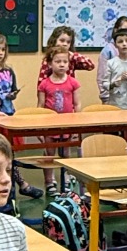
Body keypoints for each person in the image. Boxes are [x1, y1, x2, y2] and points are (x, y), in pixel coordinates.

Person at [0, 32, 42, 198]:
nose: (0, 53)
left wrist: (13, 95)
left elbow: (11, 90)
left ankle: (20, 185)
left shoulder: (9, 71)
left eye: (3, 49)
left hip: (9, 115)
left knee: (10, 154)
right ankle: (16, 186)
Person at [37, 45, 81, 195]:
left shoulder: (73, 83)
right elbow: (40, 106)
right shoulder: (44, 84)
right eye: (58, 61)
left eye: (65, 62)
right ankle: (49, 181)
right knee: (50, 153)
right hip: (49, 125)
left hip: (67, 125)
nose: (62, 65)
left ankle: (65, 178)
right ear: (50, 64)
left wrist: (77, 126)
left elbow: (77, 104)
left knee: (66, 153)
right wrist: (39, 127)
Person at [97, 16, 127, 103]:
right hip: (112, 98)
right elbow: (102, 77)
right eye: (124, 29)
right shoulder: (108, 51)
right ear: (115, 30)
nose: (126, 33)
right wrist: (105, 97)